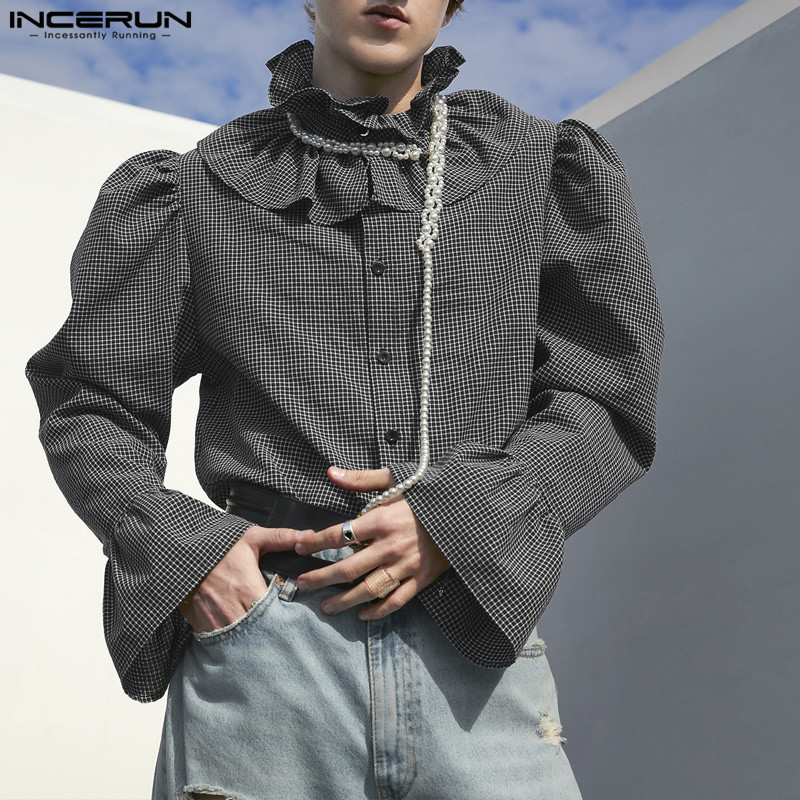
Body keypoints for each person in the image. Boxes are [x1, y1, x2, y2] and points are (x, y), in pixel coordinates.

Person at [24, 0, 665, 797]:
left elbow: (606, 393)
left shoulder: (539, 170)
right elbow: (92, 397)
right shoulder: (194, 190)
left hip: (474, 647)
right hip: (266, 650)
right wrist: (191, 558)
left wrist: (463, 519)